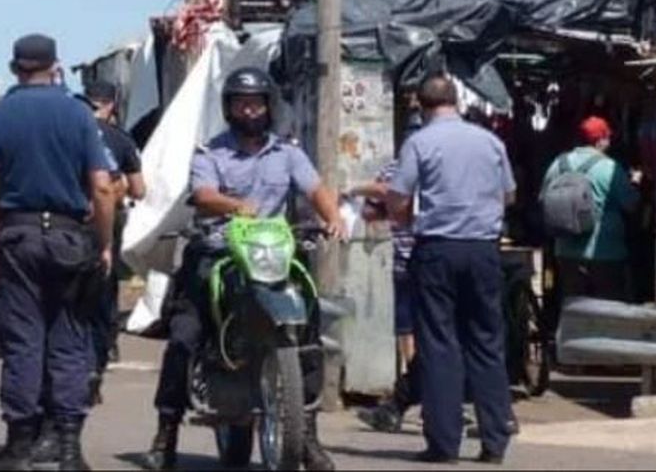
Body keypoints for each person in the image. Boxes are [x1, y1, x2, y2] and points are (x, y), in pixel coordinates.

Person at [143, 66, 344, 472]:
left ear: (269, 106)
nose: (249, 111)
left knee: (310, 330)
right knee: (184, 335)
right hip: (220, 253)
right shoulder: (210, 152)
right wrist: (234, 206)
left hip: (273, 253)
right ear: (229, 108)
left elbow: (316, 188)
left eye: (256, 104)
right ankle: (166, 434)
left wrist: (332, 217)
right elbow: (203, 194)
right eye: (241, 104)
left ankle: (307, 436)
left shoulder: (288, 152)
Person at [0, 34, 116, 471]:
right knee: (70, 341)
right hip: (70, 235)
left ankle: (19, 444)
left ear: (15, 69)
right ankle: (68, 446)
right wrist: (104, 242)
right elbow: (103, 187)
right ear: (56, 67)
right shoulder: (78, 114)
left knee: (23, 342)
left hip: (19, 235)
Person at [387, 75, 516, 465]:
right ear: (456, 100)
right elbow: (509, 194)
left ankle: (444, 443)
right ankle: (495, 440)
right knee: (486, 342)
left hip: (438, 249)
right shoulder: (490, 141)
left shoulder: (419, 143)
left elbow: (398, 201)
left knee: (439, 344)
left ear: (420, 104)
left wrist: (409, 219)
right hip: (483, 249)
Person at [351, 110, 426, 434]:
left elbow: (373, 208)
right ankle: (420, 400)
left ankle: (411, 399)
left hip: (410, 261)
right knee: (428, 332)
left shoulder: (396, 169)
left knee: (410, 332)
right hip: (427, 260)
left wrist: (358, 189)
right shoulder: (443, 163)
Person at [83, 80, 146, 379]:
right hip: (108, 217)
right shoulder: (120, 139)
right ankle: (106, 345)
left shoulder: (71, 132)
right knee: (106, 284)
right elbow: (140, 189)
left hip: (70, 217)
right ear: (111, 105)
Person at [543, 116, 640, 303]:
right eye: (608, 137)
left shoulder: (558, 164)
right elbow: (631, 204)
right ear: (600, 140)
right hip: (606, 252)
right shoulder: (609, 167)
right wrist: (635, 183)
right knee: (607, 308)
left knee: (573, 307)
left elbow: (543, 198)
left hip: (565, 251)